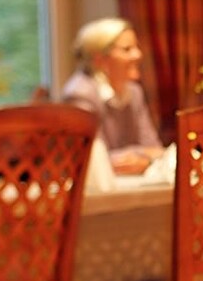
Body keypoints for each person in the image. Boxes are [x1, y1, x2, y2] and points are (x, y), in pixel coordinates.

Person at [63, 17, 163, 175]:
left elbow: (155, 148)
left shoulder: (134, 92)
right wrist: (143, 155)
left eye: (136, 47)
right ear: (99, 60)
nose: (138, 54)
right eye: (127, 49)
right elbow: (93, 159)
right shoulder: (80, 94)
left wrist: (141, 157)